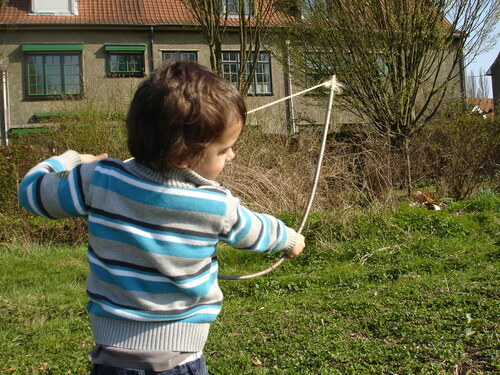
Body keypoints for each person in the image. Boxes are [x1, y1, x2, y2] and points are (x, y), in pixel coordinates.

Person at [18, 60, 305, 374]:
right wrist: (290, 239)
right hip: (181, 358)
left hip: (112, 358)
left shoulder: (97, 179)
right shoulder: (216, 205)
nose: (232, 156)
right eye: (223, 151)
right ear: (182, 155)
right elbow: (257, 231)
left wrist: (72, 159)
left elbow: (31, 193)